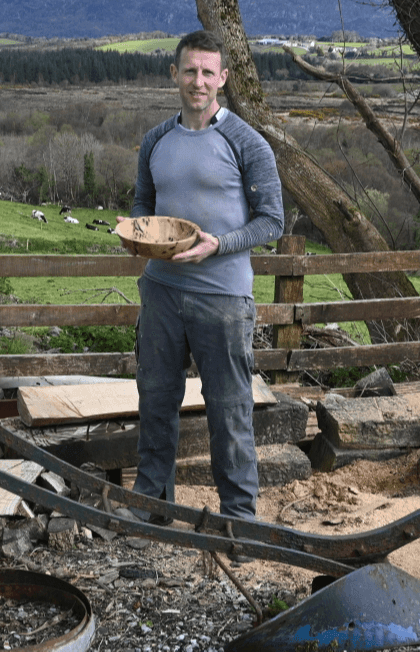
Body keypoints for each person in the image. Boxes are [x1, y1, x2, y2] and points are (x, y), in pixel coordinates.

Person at [119, 29, 283, 523]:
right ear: (175, 73)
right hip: (163, 293)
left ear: (223, 79)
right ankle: (152, 507)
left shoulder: (246, 143)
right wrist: (138, 235)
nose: (198, 81)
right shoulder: (156, 141)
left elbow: (272, 220)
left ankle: (239, 521)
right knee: (155, 401)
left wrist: (219, 244)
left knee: (230, 411)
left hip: (223, 299)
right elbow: (143, 204)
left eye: (208, 72)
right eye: (190, 70)